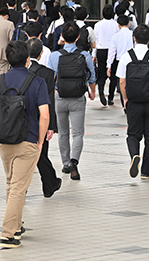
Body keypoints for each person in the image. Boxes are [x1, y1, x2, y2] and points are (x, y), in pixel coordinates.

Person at [0, 41, 50, 249]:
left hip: (3, 141)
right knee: (18, 188)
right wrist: (39, 142)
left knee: (12, 183)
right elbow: (45, 116)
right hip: (28, 141)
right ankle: (8, 234)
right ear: (28, 59)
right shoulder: (37, 82)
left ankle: (17, 224)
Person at [48, 22, 97, 181]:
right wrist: (93, 92)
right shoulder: (85, 55)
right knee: (77, 133)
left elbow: (51, 77)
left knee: (63, 133)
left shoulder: (55, 55)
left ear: (62, 36)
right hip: (77, 98)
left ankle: (66, 162)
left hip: (60, 97)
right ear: (78, 37)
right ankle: (74, 161)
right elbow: (92, 77)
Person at [117, 26, 149, 180]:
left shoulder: (126, 56)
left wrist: (125, 98)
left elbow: (122, 81)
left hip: (134, 101)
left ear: (134, 38)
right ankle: (146, 171)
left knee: (132, 134)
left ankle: (134, 154)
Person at [27, 39, 62, 197]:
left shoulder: (15, 71)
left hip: (19, 120)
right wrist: (51, 126)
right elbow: (49, 100)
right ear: (41, 54)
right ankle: (49, 185)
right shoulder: (48, 74)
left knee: (23, 156)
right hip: (41, 119)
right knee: (41, 153)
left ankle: (22, 189)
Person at [94, 5, 120, 106]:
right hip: (113, 51)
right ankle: (111, 97)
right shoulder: (116, 25)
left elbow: (95, 40)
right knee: (113, 75)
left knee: (101, 74)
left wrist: (94, 54)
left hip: (101, 51)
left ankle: (101, 91)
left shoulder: (98, 25)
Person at [108, 15, 134, 107]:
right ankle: (129, 102)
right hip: (132, 60)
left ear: (118, 24)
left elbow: (112, 52)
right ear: (128, 23)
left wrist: (109, 65)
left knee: (117, 81)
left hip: (119, 61)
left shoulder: (115, 36)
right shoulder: (133, 34)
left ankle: (118, 100)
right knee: (131, 82)